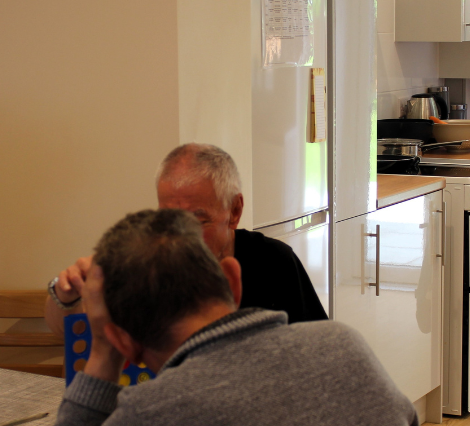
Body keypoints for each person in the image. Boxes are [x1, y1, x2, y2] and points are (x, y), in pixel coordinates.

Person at [21, 208, 439, 426]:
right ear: (233, 282)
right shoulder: (345, 345)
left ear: (123, 342)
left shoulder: (152, 419)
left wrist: (101, 357)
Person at [45, 143, 327, 333]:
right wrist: (65, 295)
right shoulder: (146, 262)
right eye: (168, 217)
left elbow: (318, 350)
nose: (179, 233)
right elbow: (68, 330)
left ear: (235, 210)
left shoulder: (273, 262)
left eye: (197, 219)